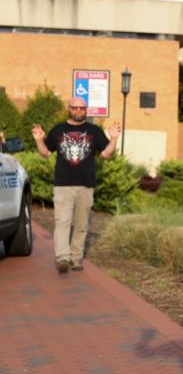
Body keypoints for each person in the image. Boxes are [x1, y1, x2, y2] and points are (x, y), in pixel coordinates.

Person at [31, 97, 120, 273]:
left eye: (82, 108)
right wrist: (39, 140)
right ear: (69, 108)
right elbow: (45, 153)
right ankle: (63, 258)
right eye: (75, 107)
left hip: (86, 185)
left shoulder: (94, 130)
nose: (78, 110)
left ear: (85, 110)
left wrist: (114, 139)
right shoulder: (59, 129)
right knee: (62, 221)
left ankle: (76, 257)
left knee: (81, 224)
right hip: (63, 184)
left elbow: (107, 154)